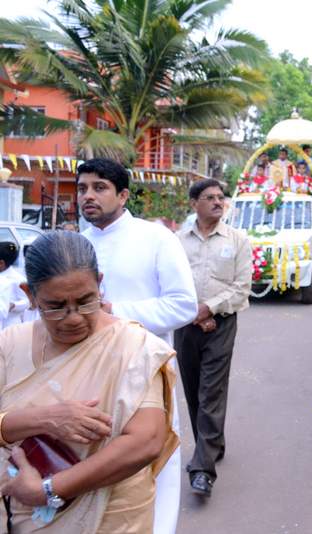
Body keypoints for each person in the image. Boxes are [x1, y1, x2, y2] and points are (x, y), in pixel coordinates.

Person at [0, 231, 177, 533]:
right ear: (29, 295)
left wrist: (49, 490)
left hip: (111, 517)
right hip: (22, 513)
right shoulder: (10, 344)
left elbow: (146, 441)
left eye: (85, 302)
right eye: (55, 306)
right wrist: (45, 419)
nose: (73, 318)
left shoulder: (135, 347)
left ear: (99, 284)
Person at [78, 158, 196, 534]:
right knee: (91, 459)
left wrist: (115, 312)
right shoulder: (76, 243)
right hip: (86, 373)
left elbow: (184, 305)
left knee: (153, 460)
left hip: (144, 369)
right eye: (82, 188)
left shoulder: (156, 238)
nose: (88, 196)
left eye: (99, 188)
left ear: (123, 195)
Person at [175, 179, 251, 497]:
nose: (218, 202)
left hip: (221, 324)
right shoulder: (177, 241)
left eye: (221, 197)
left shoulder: (237, 240)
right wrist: (194, 313)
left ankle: (203, 469)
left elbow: (242, 287)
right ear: (194, 203)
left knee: (211, 392)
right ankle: (211, 445)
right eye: (210, 197)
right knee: (193, 390)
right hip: (185, 324)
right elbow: (172, 282)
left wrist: (209, 309)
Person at [0, 242, 31, 329]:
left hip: (10, 323)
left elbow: (28, 301)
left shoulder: (18, 279)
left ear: (1, 263)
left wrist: (14, 305)